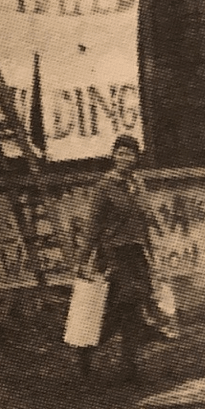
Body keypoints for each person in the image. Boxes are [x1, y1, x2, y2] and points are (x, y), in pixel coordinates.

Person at [80, 134, 157, 383]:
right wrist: (83, 258)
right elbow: (93, 224)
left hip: (136, 254)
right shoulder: (105, 186)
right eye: (121, 153)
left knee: (134, 308)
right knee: (122, 307)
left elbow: (146, 219)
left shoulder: (137, 184)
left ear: (136, 158)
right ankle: (86, 347)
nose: (125, 158)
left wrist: (153, 251)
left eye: (130, 154)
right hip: (114, 253)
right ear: (113, 156)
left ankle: (129, 366)